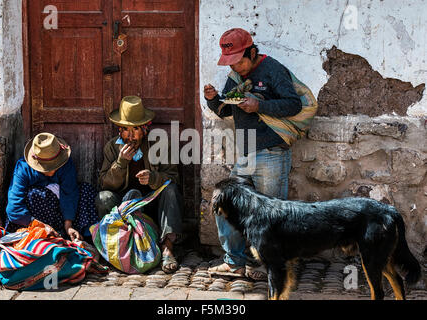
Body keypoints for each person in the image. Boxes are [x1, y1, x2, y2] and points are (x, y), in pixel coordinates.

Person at [204, 28, 302, 280]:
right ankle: (235, 261)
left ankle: (266, 266)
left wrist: (260, 105)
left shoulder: (273, 70)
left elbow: (293, 104)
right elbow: (227, 110)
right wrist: (213, 100)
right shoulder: (235, 76)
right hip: (245, 154)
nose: (235, 68)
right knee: (224, 203)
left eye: (238, 61)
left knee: (269, 214)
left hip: (272, 152)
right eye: (230, 63)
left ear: (253, 52)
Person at [95, 95, 183, 274]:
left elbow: (174, 178)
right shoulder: (112, 147)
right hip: (123, 208)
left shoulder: (159, 144)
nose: (130, 135)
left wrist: (153, 178)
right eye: (125, 130)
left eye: (135, 130)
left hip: (151, 204)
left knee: (171, 190)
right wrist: (120, 164)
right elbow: (104, 184)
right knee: (103, 198)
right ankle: (110, 246)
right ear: (119, 131)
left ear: (145, 129)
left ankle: (167, 248)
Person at [5, 133, 99, 243]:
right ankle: (48, 237)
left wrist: (68, 225)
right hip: (35, 218)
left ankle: (80, 236)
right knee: (35, 194)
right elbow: (14, 207)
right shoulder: (23, 168)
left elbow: (69, 192)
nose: (52, 171)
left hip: (60, 213)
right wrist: (40, 226)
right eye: (47, 167)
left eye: (54, 166)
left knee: (86, 190)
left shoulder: (65, 164)